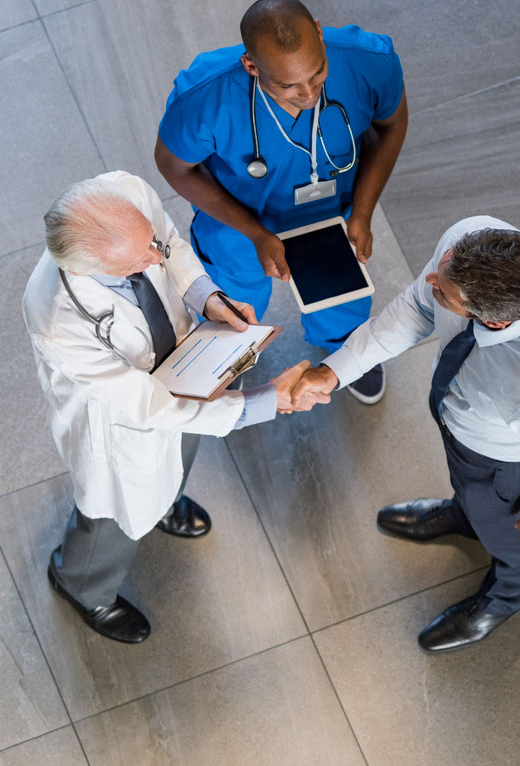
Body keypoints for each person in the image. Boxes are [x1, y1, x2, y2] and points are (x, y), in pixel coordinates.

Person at [291, 215, 520, 652]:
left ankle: (508, 597)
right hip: (460, 422)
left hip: (504, 462)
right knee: (470, 493)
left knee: (512, 535)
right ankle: (465, 515)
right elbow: (416, 307)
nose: (429, 280)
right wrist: (334, 372)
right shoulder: (471, 239)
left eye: (444, 292)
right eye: (442, 268)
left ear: (493, 322)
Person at [22, 170, 309, 644]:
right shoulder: (59, 320)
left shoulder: (125, 194)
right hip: (120, 422)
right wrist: (262, 402)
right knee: (113, 511)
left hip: (182, 366)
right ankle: (82, 583)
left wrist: (208, 298)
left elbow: (170, 243)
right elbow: (152, 407)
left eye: (147, 243)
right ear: (83, 270)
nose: (154, 258)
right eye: (139, 260)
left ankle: (166, 501)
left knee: (180, 451)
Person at [155, 0, 408, 405]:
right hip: (239, 224)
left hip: (332, 212)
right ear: (251, 66)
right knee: (233, 301)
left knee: (342, 292)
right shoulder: (204, 99)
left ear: (321, 36)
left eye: (318, 73)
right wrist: (255, 233)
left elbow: (392, 124)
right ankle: (230, 355)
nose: (308, 94)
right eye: (287, 85)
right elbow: (173, 166)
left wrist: (362, 212)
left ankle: (344, 350)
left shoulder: (370, 61)